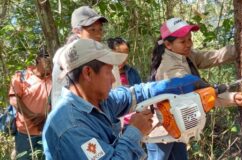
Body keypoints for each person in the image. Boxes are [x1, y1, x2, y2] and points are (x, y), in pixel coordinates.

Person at [42, 39, 209, 159]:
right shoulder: (71, 126)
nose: (113, 80)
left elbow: (136, 94)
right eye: (108, 72)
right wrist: (134, 131)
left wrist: (184, 84)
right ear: (88, 73)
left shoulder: (99, 101)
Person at [147, 17, 242, 160]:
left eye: (189, 39)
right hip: (161, 128)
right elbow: (198, 97)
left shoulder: (185, 54)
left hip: (178, 127)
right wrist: (233, 97)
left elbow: (214, 56)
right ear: (168, 44)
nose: (188, 44)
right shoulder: (170, 68)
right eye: (183, 41)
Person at [51, 5, 107, 107]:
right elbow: (59, 94)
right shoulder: (66, 56)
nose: (98, 35)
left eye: (100, 29)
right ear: (77, 31)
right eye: (93, 30)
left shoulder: (100, 53)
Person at [9, 46, 52, 160]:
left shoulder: (54, 77)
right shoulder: (22, 76)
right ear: (38, 59)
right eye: (46, 59)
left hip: (47, 130)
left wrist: (46, 117)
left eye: (51, 60)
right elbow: (14, 99)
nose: (49, 62)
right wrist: (32, 116)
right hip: (25, 133)